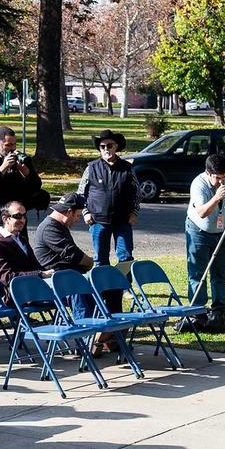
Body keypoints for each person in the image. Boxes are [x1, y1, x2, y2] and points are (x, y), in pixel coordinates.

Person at [184, 153, 225, 333]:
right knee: (198, 272)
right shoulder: (198, 184)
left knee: (220, 273)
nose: (222, 181)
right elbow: (202, 212)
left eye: (224, 177)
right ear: (208, 173)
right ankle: (198, 313)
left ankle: (219, 313)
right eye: (217, 178)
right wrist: (217, 197)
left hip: (223, 232)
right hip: (198, 231)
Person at [0, 126, 47, 245]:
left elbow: (36, 185)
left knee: (21, 257)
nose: (12, 149)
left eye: (14, 145)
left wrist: (24, 170)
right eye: (8, 145)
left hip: (18, 220)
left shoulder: (22, 160)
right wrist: (3, 167)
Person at [78, 129, 139, 267]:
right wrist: (85, 213)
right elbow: (81, 193)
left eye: (110, 146)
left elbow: (137, 192)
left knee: (126, 257)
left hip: (123, 219)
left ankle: (124, 288)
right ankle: (103, 288)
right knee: (100, 257)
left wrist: (134, 212)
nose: (106, 149)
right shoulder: (91, 168)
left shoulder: (128, 168)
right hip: (97, 220)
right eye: (102, 146)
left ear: (116, 147)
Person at [34, 192, 94, 318]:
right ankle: (86, 331)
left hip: (68, 275)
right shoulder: (50, 228)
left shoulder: (59, 226)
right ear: (68, 212)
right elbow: (73, 254)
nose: (78, 220)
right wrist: (89, 262)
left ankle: (105, 326)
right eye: (77, 216)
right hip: (52, 279)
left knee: (100, 284)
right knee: (75, 285)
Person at [0, 201, 53, 298]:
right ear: (5, 219)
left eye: (24, 216)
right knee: (73, 292)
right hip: (17, 293)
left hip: (35, 287)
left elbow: (35, 266)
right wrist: (40, 274)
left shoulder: (21, 239)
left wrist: (50, 273)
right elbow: (7, 277)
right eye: (17, 216)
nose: (22, 220)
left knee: (72, 284)